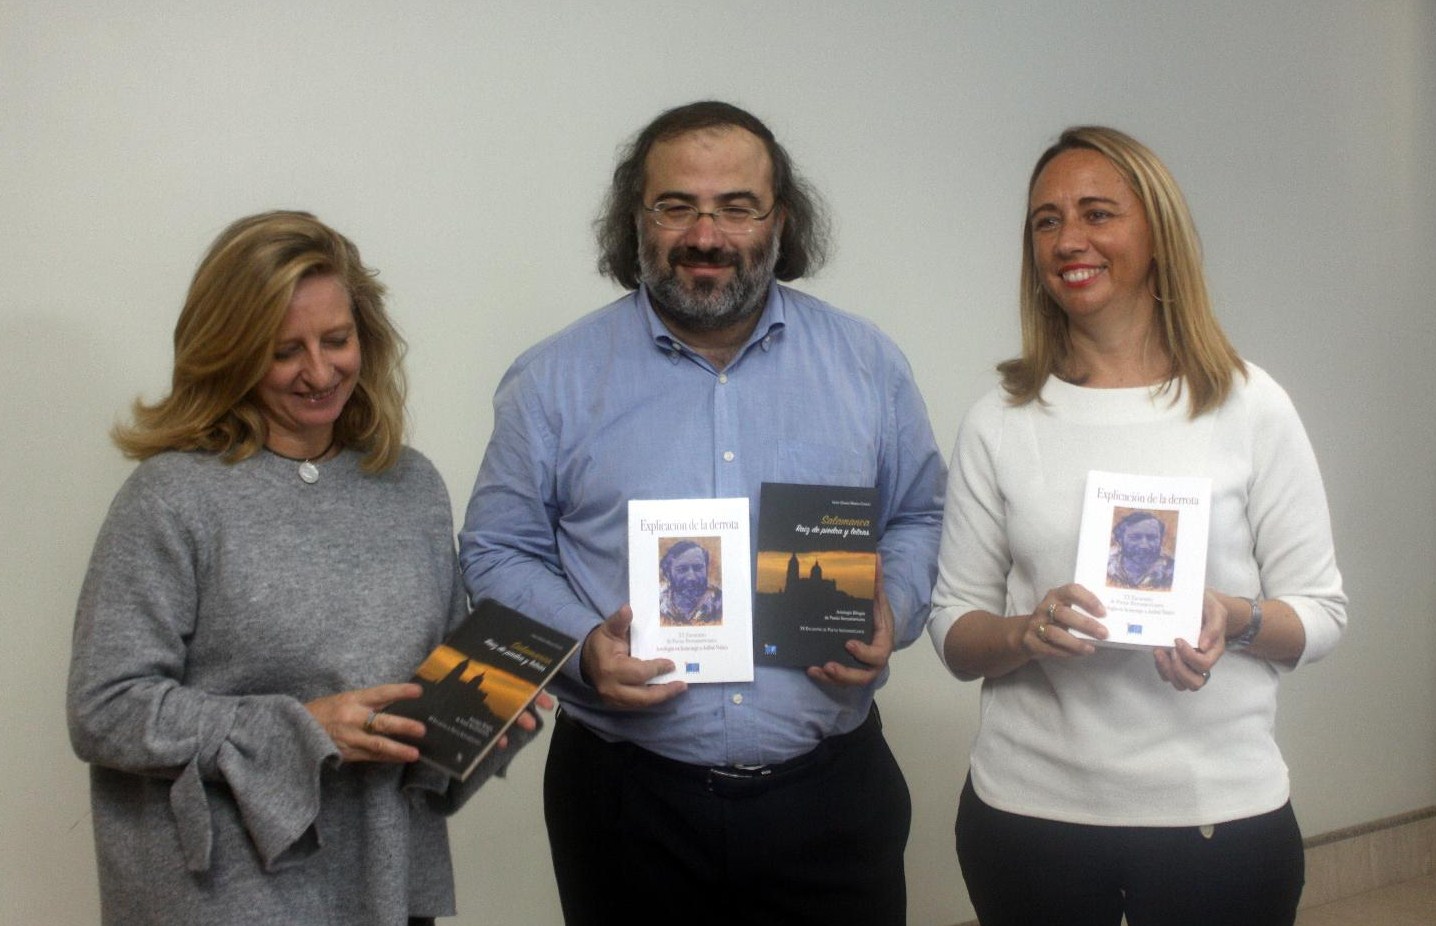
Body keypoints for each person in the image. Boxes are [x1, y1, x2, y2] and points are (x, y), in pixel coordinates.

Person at [460, 100, 946, 925]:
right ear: (636, 219)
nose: (706, 234)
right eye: (676, 205)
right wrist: (580, 651)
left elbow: (917, 515)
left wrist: (893, 609)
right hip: (625, 807)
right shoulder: (552, 380)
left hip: (830, 800)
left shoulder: (868, 366)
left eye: (736, 206)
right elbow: (496, 550)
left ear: (780, 220)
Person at [66, 210, 537, 925]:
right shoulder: (172, 497)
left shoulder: (411, 488)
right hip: (222, 900)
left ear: (366, 336)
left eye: (337, 340)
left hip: (387, 889)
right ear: (229, 351)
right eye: (285, 351)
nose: (320, 373)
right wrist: (301, 728)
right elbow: (104, 710)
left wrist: (479, 725)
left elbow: (422, 708)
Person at [928, 126, 1347, 926]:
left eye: (1096, 213)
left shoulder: (1250, 406)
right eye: (1046, 220)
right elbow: (953, 627)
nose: (1068, 240)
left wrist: (1235, 615)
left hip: (1217, 819)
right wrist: (1026, 633)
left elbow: (1321, 614)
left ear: (1157, 234)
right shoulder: (1001, 419)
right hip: (1027, 817)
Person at [658, 539, 724, 625]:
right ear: (667, 573)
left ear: (706, 569)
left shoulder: (721, 604)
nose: (691, 577)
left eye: (698, 568)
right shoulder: (659, 606)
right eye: (682, 569)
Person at [1106, 510, 1175, 590]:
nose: (1144, 545)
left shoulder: (1171, 570)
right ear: (1120, 539)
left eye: (1151, 538)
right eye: (1135, 537)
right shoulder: (1105, 566)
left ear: (1161, 540)